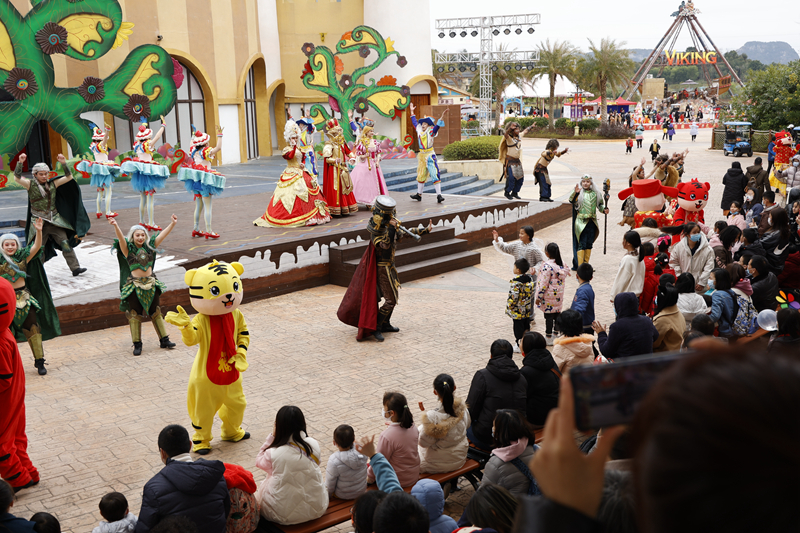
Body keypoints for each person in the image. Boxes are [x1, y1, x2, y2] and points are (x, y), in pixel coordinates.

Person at [337, 197, 432, 341]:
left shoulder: (389, 229)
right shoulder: (376, 233)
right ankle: (376, 326)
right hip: (382, 269)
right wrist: (392, 229)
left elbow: (406, 233)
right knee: (390, 300)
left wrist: (425, 230)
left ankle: (386, 323)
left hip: (390, 267)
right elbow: (385, 245)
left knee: (394, 297)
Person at [135, 424, 229, 533]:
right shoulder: (216, 475)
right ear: (190, 445)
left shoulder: (153, 489)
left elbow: (144, 528)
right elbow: (226, 510)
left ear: (162, 452)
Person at [110, 217, 177, 356]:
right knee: (135, 315)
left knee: (156, 312)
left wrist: (172, 224)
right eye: (137, 235)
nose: (140, 237)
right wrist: (116, 225)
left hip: (151, 284)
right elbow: (121, 239)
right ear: (132, 236)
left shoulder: (150, 247)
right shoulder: (128, 249)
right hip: (134, 286)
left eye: (142, 235)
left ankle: (164, 340)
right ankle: (137, 344)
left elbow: (162, 236)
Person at [13, 153, 89, 277]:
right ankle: (37, 272)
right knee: (38, 249)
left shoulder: (53, 184)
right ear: (35, 174)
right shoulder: (30, 184)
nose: (44, 176)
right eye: (41, 174)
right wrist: (20, 163)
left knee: (65, 244)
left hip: (55, 221)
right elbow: (17, 179)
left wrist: (63, 163)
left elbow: (69, 177)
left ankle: (75, 268)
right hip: (38, 224)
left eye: (46, 173)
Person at [0, 222, 60, 375]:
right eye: (7, 245)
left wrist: (39, 231)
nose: (10, 247)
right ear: (2, 246)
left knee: (33, 328)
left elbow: (37, 246)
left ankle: (39, 361)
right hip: (4, 301)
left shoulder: (23, 257)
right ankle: (7, 365)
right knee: (5, 334)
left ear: (17, 245)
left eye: (13, 244)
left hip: (24, 298)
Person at [255, 406, 327, 525]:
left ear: (278, 426)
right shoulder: (312, 444)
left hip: (282, 514)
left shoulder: (273, 453)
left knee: (267, 482)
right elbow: (317, 463)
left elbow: (259, 462)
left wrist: (272, 437)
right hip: (317, 507)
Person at [254, 119, 330, 227]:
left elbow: (302, 157)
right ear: (289, 138)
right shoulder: (287, 149)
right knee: (291, 195)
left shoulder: (298, 148)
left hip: (301, 172)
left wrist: (303, 164)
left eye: (296, 137)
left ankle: (311, 215)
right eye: (292, 138)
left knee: (310, 189)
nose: (294, 139)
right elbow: (290, 156)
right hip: (291, 172)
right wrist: (294, 147)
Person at [0, 278, 38, 493]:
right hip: (15, 397)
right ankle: (29, 471)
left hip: (4, 401)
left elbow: (2, 379)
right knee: (16, 438)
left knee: (2, 443)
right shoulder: (5, 332)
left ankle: (19, 479)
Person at [465, 340, 527, 451]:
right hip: (516, 434)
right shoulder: (522, 378)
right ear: (511, 357)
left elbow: (471, 410)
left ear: (491, 356)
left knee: (465, 426)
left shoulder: (482, 376)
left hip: (488, 437)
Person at [178, 125, 226, 239]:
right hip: (205, 181)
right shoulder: (206, 151)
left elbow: (191, 142)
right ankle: (209, 230)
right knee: (208, 207)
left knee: (198, 206)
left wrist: (194, 134)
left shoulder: (193, 150)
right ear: (205, 143)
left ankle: (196, 229)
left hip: (195, 181)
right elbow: (218, 148)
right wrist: (220, 135)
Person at [121, 120, 170, 231]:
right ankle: (151, 222)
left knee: (142, 198)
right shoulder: (148, 144)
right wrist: (163, 126)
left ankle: (142, 221)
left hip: (140, 173)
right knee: (150, 199)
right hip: (148, 172)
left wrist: (144, 125)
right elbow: (158, 136)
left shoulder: (137, 145)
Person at [418, 374, 470, 474]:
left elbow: (423, 443)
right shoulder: (462, 408)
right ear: (454, 388)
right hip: (460, 458)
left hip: (437, 464)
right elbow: (467, 425)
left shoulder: (432, 417)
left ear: (435, 392)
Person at [481, 410, 538, 499]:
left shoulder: (495, 464)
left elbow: (483, 495)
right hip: (536, 503)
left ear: (500, 432)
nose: (492, 429)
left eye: (494, 426)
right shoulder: (536, 450)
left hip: (512, 506)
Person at [367, 392, 420, 488]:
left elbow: (378, 462)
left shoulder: (386, 436)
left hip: (396, 482)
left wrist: (369, 477)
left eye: (385, 409)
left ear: (392, 413)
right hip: (413, 476)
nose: (384, 411)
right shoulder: (413, 427)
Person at [594, 292, 659, 359]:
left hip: (627, 364)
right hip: (647, 363)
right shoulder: (646, 320)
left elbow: (606, 351)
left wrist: (601, 334)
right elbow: (655, 336)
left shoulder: (617, 326)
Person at [79, 122, 120, 220]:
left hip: (97, 169)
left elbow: (101, 138)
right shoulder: (101, 145)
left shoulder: (93, 145)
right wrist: (107, 131)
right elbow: (105, 140)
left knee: (100, 191)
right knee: (108, 191)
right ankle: (108, 212)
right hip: (104, 168)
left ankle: (98, 211)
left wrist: (94, 129)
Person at [409, 103, 448, 203]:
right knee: (421, 175)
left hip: (430, 155)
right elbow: (414, 122)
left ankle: (439, 195)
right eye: (422, 124)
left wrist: (442, 117)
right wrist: (412, 111)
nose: (422, 125)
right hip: (422, 156)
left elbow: (436, 127)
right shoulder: (419, 131)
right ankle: (419, 195)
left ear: (428, 125)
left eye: (425, 124)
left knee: (434, 174)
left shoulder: (431, 132)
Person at [519, 332, 559, 427]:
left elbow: (522, 396)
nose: (519, 343)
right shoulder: (550, 361)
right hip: (557, 411)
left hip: (539, 418)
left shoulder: (526, 371)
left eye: (521, 342)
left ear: (526, 347)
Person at [570, 175, 608, 267]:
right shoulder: (578, 192)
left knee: (589, 244)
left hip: (592, 222)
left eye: (587, 181)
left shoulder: (595, 193)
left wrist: (604, 209)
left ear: (591, 183)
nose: (585, 183)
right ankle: (580, 266)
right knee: (582, 244)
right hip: (581, 222)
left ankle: (586, 265)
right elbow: (572, 200)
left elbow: (600, 205)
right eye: (583, 181)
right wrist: (576, 193)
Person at [322, 118, 358, 215]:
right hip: (334, 169)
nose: (339, 133)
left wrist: (352, 157)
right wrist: (334, 160)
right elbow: (327, 159)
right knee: (336, 188)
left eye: (339, 130)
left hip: (343, 168)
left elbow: (348, 151)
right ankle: (335, 208)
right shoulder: (329, 144)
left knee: (345, 187)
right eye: (337, 131)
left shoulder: (342, 142)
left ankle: (346, 207)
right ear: (333, 133)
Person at [535, 244, 569, 345]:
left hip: (548, 297)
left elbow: (543, 284)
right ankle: (555, 333)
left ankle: (548, 337)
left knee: (549, 317)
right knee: (557, 315)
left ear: (547, 253)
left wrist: (538, 297)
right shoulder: (562, 264)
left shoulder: (547, 267)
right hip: (558, 296)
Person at [669, 223, 715, 293]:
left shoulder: (708, 249)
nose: (697, 234)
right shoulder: (678, 248)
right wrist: (681, 277)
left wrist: (702, 282)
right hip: (683, 286)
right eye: (694, 232)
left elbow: (709, 267)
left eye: (698, 232)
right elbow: (674, 263)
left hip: (700, 288)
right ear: (687, 234)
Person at [326, 424, 368, 500]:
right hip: (361, 490)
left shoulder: (334, 461)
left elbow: (330, 483)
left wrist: (328, 496)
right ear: (353, 439)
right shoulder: (363, 450)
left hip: (342, 495)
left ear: (334, 442)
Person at [350, 125, 389, 208]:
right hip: (365, 165)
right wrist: (365, 156)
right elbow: (359, 155)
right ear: (366, 132)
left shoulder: (375, 142)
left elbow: (378, 153)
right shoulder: (362, 142)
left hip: (374, 164)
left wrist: (377, 161)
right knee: (365, 183)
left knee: (374, 183)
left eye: (372, 131)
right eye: (370, 131)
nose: (372, 132)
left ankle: (375, 200)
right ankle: (367, 200)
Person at [499, 122, 533, 200]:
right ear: (512, 130)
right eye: (516, 129)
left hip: (517, 161)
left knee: (520, 178)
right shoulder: (509, 138)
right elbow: (505, 134)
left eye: (518, 129)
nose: (518, 130)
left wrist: (531, 126)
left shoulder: (519, 136)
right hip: (510, 161)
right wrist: (510, 129)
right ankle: (507, 192)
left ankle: (515, 192)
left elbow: (525, 131)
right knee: (511, 178)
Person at [507, 258, 534, 349]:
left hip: (517, 311)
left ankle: (519, 345)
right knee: (526, 326)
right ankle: (527, 343)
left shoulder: (516, 283)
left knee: (518, 328)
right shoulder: (529, 280)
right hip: (526, 309)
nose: (513, 268)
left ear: (518, 270)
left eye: (514, 267)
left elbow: (514, 297)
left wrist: (510, 306)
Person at [610, 231, 646, 299]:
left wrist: (613, 296)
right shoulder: (640, 258)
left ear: (628, 243)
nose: (622, 242)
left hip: (626, 297)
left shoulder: (628, 259)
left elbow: (621, 280)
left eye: (624, 240)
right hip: (636, 296)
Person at [706, 268, 738, 339]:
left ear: (718, 281)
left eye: (710, 278)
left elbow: (715, 316)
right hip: (733, 328)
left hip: (724, 331)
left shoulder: (717, 294)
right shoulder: (731, 292)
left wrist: (702, 322)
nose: (709, 280)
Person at [652, 281, 684, 352]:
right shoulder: (677, 312)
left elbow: (654, 343)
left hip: (665, 355)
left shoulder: (662, 319)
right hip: (676, 351)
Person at [758, 207, 791, 274]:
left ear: (775, 219)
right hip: (778, 263)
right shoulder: (785, 231)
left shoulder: (776, 234)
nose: (769, 218)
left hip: (771, 265)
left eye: (770, 216)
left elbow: (760, 245)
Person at [570, 263, 595, 335]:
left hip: (582, 327)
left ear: (577, 276)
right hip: (587, 324)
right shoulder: (588, 288)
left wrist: (571, 322)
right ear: (591, 278)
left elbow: (579, 310)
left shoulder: (582, 291)